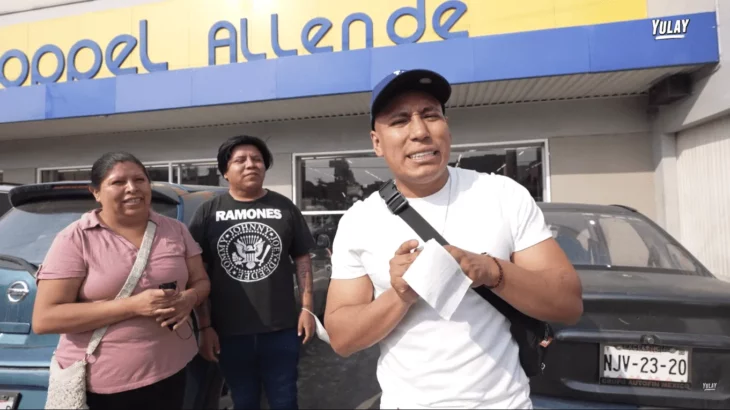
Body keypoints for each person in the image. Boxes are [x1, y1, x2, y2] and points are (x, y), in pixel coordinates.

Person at [324, 69, 584, 409]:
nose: (420, 132)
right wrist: (400, 296)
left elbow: (568, 304)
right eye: (400, 120)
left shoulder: (503, 195)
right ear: (377, 142)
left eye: (431, 115)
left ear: (447, 127)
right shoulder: (359, 221)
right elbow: (342, 339)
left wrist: (492, 271)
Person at [32, 151, 211, 410]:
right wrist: (133, 306)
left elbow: (201, 281)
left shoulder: (175, 230)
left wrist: (189, 299)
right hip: (105, 384)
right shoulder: (75, 239)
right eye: (118, 182)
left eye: (140, 180)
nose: (132, 188)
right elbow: (45, 319)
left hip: (171, 369)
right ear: (96, 192)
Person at [189, 135, 316, 409]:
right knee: (243, 400)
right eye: (240, 160)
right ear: (225, 171)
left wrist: (307, 309)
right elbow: (197, 273)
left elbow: (302, 260)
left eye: (257, 159)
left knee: (285, 399)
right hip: (229, 333)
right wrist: (204, 327)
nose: (251, 165)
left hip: (281, 329)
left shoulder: (284, 208)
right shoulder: (209, 212)